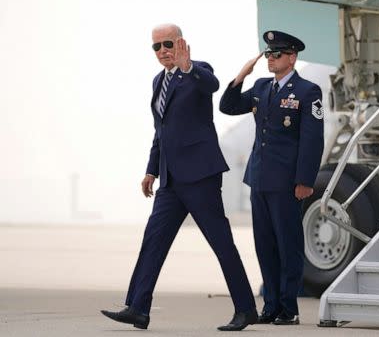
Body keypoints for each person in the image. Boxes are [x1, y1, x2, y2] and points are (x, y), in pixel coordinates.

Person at [100, 24, 257, 332]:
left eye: (168, 43)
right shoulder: (158, 81)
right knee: (153, 242)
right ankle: (138, 308)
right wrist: (151, 170)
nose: (163, 51)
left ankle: (246, 309)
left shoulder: (197, 70)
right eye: (156, 47)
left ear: (182, 43)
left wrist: (188, 67)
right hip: (170, 182)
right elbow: (162, 132)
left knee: (222, 244)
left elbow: (211, 86)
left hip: (200, 176)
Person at [219, 30, 324, 325]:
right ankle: (271, 306)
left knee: (287, 244)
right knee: (264, 244)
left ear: (291, 58)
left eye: (276, 54)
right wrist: (241, 75)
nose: (270, 59)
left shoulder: (307, 91)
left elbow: (312, 140)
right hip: (259, 178)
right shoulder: (261, 87)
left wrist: (305, 180)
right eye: (268, 54)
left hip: (287, 182)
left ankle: (288, 308)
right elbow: (227, 106)